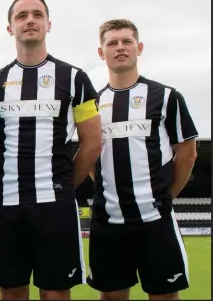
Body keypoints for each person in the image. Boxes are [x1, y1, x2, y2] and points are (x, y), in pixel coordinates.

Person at [0, 0, 103, 301]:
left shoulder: (75, 78)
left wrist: (64, 184)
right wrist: (1, 175)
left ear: (49, 23)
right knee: (11, 292)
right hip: (6, 203)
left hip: (55, 205)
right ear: (10, 27)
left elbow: (92, 143)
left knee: (55, 293)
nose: (30, 21)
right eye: (21, 16)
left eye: (37, 14)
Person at [86, 19, 198, 300]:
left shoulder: (167, 97)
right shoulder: (92, 105)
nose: (120, 48)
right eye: (112, 43)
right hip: (108, 222)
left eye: (127, 42)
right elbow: (89, 155)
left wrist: (165, 195)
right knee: (111, 296)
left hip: (155, 220)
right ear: (101, 53)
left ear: (139, 48)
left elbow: (187, 153)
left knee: (163, 296)